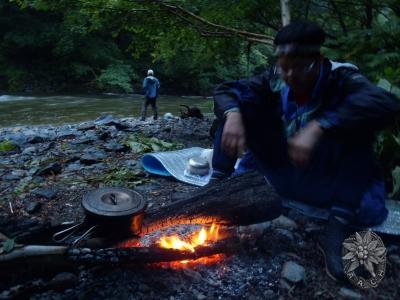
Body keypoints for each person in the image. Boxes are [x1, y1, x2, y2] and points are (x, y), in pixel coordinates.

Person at [212, 21, 399, 281]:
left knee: (359, 124)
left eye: (298, 68)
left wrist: (321, 126)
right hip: (283, 173)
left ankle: (335, 230)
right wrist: (232, 114)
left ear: (319, 61)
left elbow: (385, 102)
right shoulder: (275, 79)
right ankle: (213, 190)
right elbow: (226, 90)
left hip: (327, 179)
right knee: (237, 105)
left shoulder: (341, 79)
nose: (289, 76)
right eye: (284, 68)